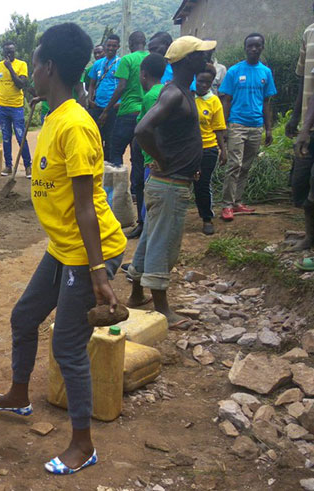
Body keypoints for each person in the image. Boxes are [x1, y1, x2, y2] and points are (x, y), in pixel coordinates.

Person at [0, 23, 126, 475]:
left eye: (35, 63)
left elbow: (86, 208)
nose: (30, 74)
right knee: (25, 316)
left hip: (90, 251)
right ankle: (19, 396)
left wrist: (99, 274)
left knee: (66, 346)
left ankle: (83, 445)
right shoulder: (56, 113)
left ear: (49, 67)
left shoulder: (77, 125)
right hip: (65, 248)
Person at [127, 36, 213, 329]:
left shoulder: (181, 92)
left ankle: (137, 295)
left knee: (151, 240)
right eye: (201, 54)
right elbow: (142, 130)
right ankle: (163, 310)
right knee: (163, 245)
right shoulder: (175, 93)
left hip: (171, 182)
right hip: (169, 186)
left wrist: (187, 166)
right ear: (188, 61)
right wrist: (163, 161)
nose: (207, 57)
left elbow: (175, 137)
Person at [218, 33, 276, 221]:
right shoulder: (235, 71)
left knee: (246, 166)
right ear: (245, 48)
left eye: (257, 46)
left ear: (262, 47)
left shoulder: (265, 72)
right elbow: (226, 100)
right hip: (237, 124)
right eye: (250, 46)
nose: (253, 49)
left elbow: (267, 102)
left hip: (256, 126)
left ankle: (237, 202)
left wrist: (268, 129)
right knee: (234, 165)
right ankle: (226, 205)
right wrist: (225, 127)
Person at [101, 31, 148, 239]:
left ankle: (120, 197)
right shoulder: (151, 60)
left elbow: (121, 87)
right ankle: (137, 201)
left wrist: (106, 110)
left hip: (127, 113)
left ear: (129, 44)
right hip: (146, 114)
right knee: (138, 159)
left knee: (114, 153)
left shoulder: (127, 60)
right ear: (144, 44)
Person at [286, 3, 314, 254]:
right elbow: (303, 79)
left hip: (309, 128)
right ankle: (309, 236)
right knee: (301, 181)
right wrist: (296, 118)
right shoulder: (309, 33)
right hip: (307, 123)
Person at [0, 40, 32, 177]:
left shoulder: (21, 65)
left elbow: (21, 84)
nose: (9, 54)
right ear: (3, 52)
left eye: (11, 52)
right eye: (7, 52)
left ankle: (28, 166)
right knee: (6, 137)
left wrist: (10, 68)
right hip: (3, 107)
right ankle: (8, 166)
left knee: (20, 137)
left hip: (17, 108)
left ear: (15, 52)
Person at [194, 63, 228, 236]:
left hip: (208, 149)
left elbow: (218, 128)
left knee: (202, 184)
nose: (204, 85)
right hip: (188, 150)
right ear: (195, 79)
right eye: (200, 81)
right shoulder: (187, 96)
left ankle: (206, 218)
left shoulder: (214, 101)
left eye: (207, 82)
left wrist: (223, 150)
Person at [134, 53, 166, 227]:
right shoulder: (165, 91)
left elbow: (152, 129)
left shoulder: (150, 97)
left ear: (143, 74)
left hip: (152, 160)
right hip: (156, 157)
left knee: (150, 206)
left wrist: (155, 157)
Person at [87, 34, 121, 160]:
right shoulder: (98, 64)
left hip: (113, 108)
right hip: (97, 106)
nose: (111, 48)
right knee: (96, 139)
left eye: (114, 46)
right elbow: (92, 84)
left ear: (118, 47)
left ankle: (108, 167)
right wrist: (90, 99)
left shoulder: (121, 63)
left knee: (111, 139)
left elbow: (124, 86)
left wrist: (120, 102)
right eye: (109, 45)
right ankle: (97, 166)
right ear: (105, 46)